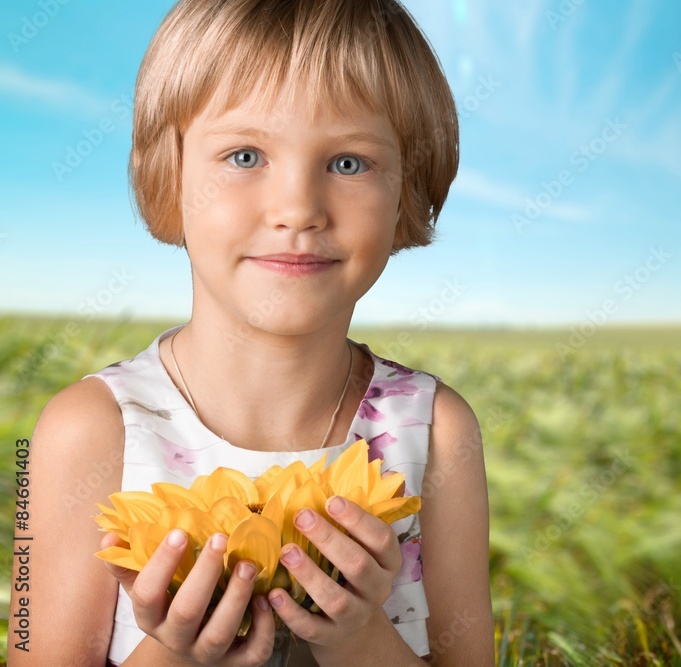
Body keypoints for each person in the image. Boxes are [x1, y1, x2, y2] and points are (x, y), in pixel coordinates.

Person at [11, 0, 492, 665]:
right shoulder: (86, 430)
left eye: (349, 162)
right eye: (245, 154)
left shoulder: (435, 431)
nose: (297, 208)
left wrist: (359, 635)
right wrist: (176, 651)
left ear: (407, 186)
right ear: (167, 173)